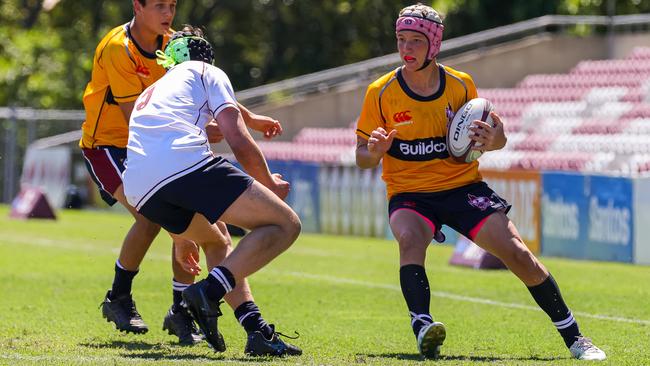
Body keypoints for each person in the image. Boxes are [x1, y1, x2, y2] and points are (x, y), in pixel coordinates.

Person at [354, 3, 606, 361]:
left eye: (415, 40)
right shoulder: (380, 92)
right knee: (410, 240)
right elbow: (362, 158)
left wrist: (494, 139)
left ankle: (576, 338)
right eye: (401, 39)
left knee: (518, 253)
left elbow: (495, 136)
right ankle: (423, 325)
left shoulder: (460, 85)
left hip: (463, 189)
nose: (406, 48)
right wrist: (374, 151)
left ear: (434, 45)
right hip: (410, 193)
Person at [79, 0, 285, 349]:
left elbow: (203, 84)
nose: (168, 14)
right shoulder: (119, 48)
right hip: (109, 146)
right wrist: (206, 126)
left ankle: (181, 310)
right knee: (151, 220)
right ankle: (119, 296)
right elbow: (137, 118)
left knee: (208, 230)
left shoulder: (170, 42)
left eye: (172, 5)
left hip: (154, 150)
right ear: (137, 6)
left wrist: (250, 119)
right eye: (159, 5)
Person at [122, 26, 302, 356]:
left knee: (217, 241)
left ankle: (255, 330)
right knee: (285, 224)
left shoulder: (159, 88)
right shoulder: (206, 71)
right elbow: (238, 138)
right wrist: (269, 184)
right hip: (180, 166)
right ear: (205, 53)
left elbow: (158, 151)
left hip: (140, 188)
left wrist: (180, 236)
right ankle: (207, 291)